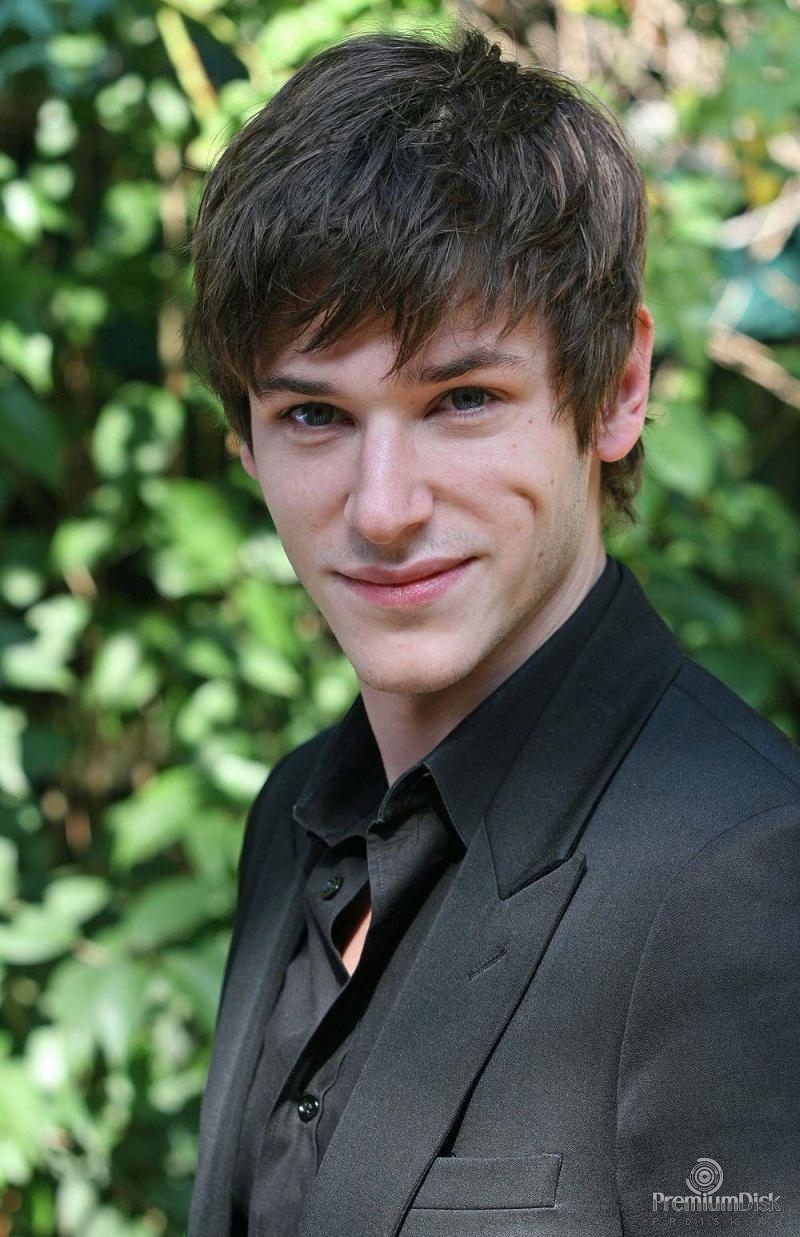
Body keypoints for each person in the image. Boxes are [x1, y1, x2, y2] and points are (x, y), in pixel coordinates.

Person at [185, 25, 800, 1237]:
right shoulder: (291, 814)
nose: (382, 508)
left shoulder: (742, 876)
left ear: (616, 391)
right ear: (243, 439)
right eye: (313, 414)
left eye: (462, 398)